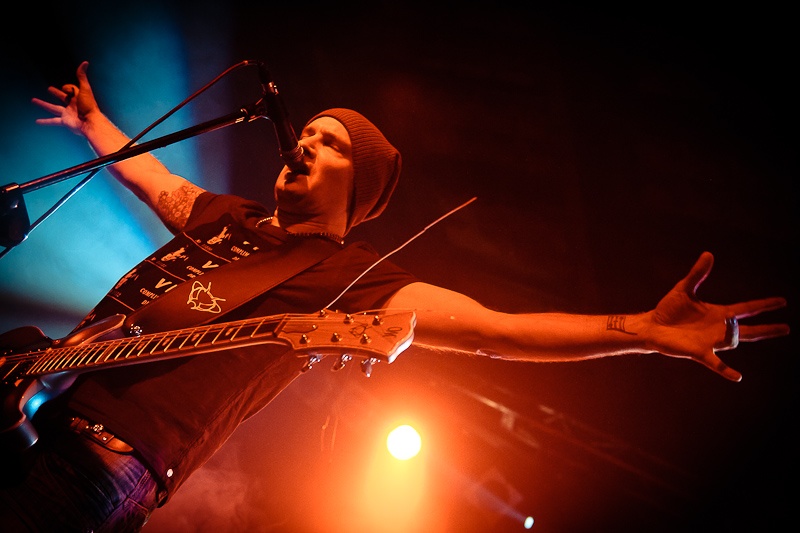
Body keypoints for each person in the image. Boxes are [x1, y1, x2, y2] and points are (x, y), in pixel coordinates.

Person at [0, 61, 788, 532]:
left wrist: (641, 329)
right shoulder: (227, 215)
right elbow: (154, 178)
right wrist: (96, 125)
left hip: (100, 467)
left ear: (360, 185)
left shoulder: (351, 275)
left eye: (331, 141)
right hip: (42, 411)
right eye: (306, 130)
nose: (305, 139)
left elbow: (494, 329)